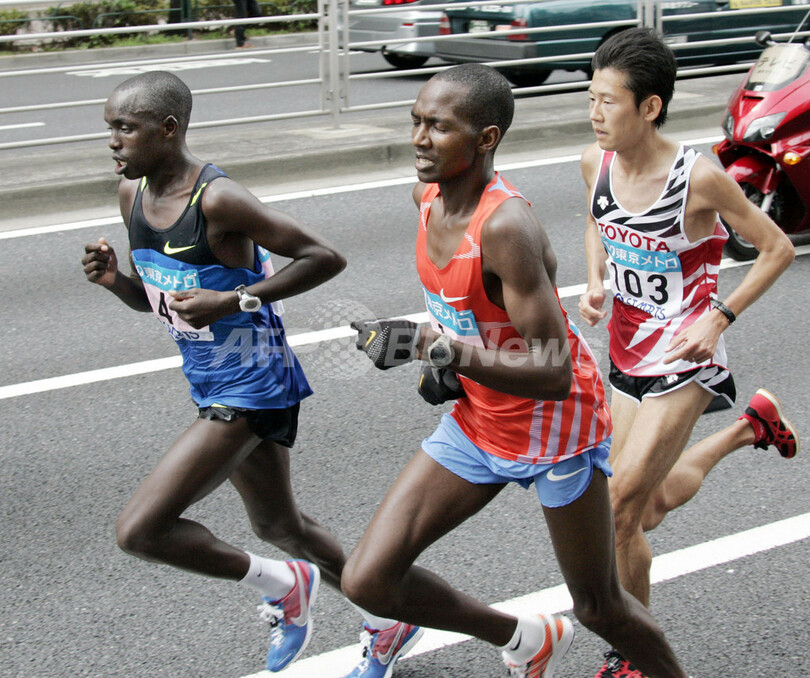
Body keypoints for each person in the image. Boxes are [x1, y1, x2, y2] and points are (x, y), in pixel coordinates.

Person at [343, 63, 692, 678]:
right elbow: (470, 318)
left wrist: (436, 348)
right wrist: (441, 359)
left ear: (486, 139)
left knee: (599, 607)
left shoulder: (506, 226)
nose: (420, 139)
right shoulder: (425, 197)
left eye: (439, 127)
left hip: (557, 431)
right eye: (416, 122)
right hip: (482, 418)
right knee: (368, 578)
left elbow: (554, 371)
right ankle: (525, 640)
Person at [81, 70, 420, 676]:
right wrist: (117, 285)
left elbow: (325, 257)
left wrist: (237, 301)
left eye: (124, 129)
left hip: (254, 380)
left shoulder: (217, 199)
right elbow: (163, 300)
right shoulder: (132, 197)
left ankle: (284, 585)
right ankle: (388, 617)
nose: (112, 141)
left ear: (168, 129)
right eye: (110, 128)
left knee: (140, 530)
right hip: (208, 377)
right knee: (278, 523)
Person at [578, 27, 798, 677]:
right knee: (645, 506)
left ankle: (633, 658)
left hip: (686, 356)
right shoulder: (596, 161)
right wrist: (595, 278)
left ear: (650, 107)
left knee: (618, 508)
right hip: (627, 351)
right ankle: (748, 429)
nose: (593, 113)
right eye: (589, 98)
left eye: (607, 101)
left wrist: (718, 317)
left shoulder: (698, 178)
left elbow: (777, 248)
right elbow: (595, 218)